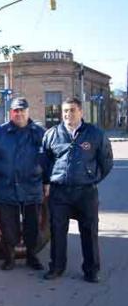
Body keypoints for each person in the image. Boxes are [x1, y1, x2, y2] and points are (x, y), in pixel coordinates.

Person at [42, 97, 113, 283]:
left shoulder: (95, 134)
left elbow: (106, 162)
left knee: (89, 231)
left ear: (81, 112)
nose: (68, 114)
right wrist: (49, 181)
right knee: (57, 231)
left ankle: (91, 270)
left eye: (72, 110)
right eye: (65, 111)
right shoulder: (52, 134)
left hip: (85, 192)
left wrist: (91, 178)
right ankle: (56, 267)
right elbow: (45, 161)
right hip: (60, 192)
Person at [0, 98, 46, 271]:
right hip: (6, 184)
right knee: (8, 225)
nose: (19, 114)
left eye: (22, 110)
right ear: (10, 113)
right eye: (16, 111)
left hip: (32, 185)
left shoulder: (39, 132)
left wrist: (47, 181)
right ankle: (10, 257)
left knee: (32, 225)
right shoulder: (0, 133)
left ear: (28, 112)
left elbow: (47, 159)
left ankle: (32, 256)